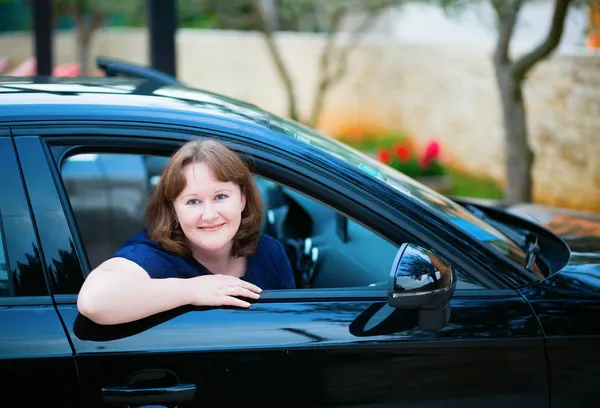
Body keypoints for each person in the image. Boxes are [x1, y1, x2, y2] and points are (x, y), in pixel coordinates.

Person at [77, 139, 296, 325]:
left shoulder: (268, 251)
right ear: (174, 209)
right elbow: (94, 301)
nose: (209, 215)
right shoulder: (154, 255)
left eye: (220, 197)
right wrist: (192, 290)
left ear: (242, 199)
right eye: (193, 201)